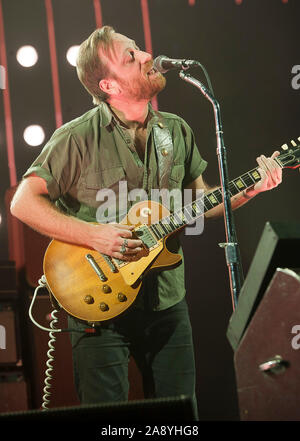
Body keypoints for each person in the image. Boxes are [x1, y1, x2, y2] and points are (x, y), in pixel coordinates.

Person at [10, 26, 282, 417]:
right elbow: (23, 201)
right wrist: (95, 235)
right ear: (108, 84)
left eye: (138, 49)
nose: (145, 56)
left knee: (179, 415)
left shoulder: (175, 130)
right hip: (97, 303)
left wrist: (252, 188)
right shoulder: (76, 137)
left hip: (167, 301)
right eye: (129, 56)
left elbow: (201, 203)